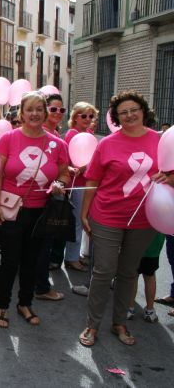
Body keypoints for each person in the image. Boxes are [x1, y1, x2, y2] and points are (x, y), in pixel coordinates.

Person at [78, 90, 167, 347]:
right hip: (107, 215)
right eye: (123, 112)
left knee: (129, 272)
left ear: (143, 111)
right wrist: (85, 212)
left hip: (144, 219)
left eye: (133, 110)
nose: (129, 115)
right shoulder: (107, 143)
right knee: (104, 271)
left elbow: (171, 174)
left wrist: (168, 178)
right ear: (116, 117)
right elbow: (92, 180)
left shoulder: (160, 141)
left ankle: (119, 323)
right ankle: (92, 325)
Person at [0, 91, 69, 328]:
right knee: (10, 261)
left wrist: (60, 184)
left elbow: (64, 173)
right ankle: (1, 305)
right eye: (29, 109)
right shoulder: (8, 139)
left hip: (41, 212)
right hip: (11, 209)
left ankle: (25, 303)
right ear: (21, 113)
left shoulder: (58, 144)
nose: (34, 114)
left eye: (39, 109)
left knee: (31, 262)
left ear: (45, 113)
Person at [33, 94, 69, 302]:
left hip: (49, 200)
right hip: (30, 201)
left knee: (43, 244)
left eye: (61, 110)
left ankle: (40, 285)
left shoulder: (57, 137)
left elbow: (62, 171)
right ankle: (40, 286)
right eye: (53, 109)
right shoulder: (36, 135)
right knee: (40, 245)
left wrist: (61, 183)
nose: (57, 113)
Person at [64, 102, 100, 297]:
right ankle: (71, 257)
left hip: (88, 183)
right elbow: (70, 161)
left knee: (84, 219)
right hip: (77, 184)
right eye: (83, 116)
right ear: (75, 117)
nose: (87, 119)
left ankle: (75, 254)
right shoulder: (71, 135)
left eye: (90, 116)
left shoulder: (90, 136)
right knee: (78, 220)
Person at [128, 233, 165, 323]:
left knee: (133, 276)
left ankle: (129, 309)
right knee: (150, 276)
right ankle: (150, 311)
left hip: (135, 242)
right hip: (154, 246)